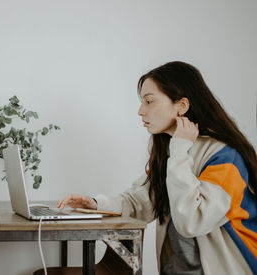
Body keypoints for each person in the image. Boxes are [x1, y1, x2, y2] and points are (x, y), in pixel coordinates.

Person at [57, 61, 257, 275]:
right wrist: (97, 204)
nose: (140, 111)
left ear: (181, 106)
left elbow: (190, 222)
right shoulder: (173, 151)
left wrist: (180, 149)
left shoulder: (225, 158)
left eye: (149, 101)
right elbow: (143, 201)